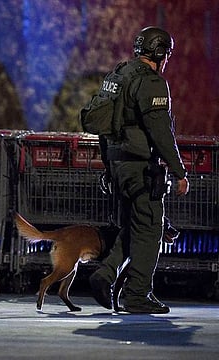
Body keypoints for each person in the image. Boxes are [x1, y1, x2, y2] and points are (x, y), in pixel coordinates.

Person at [88, 26, 189, 314]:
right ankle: (137, 295)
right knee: (150, 230)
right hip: (141, 168)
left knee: (133, 230)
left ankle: (105, 274)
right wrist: (179, 171)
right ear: (159, 53)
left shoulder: (117, 75)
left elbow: (102, 126)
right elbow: (160, 132)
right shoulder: (151, 82)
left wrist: (108, 165)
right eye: (166, 54)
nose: (167, 60)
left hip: (118, 165)